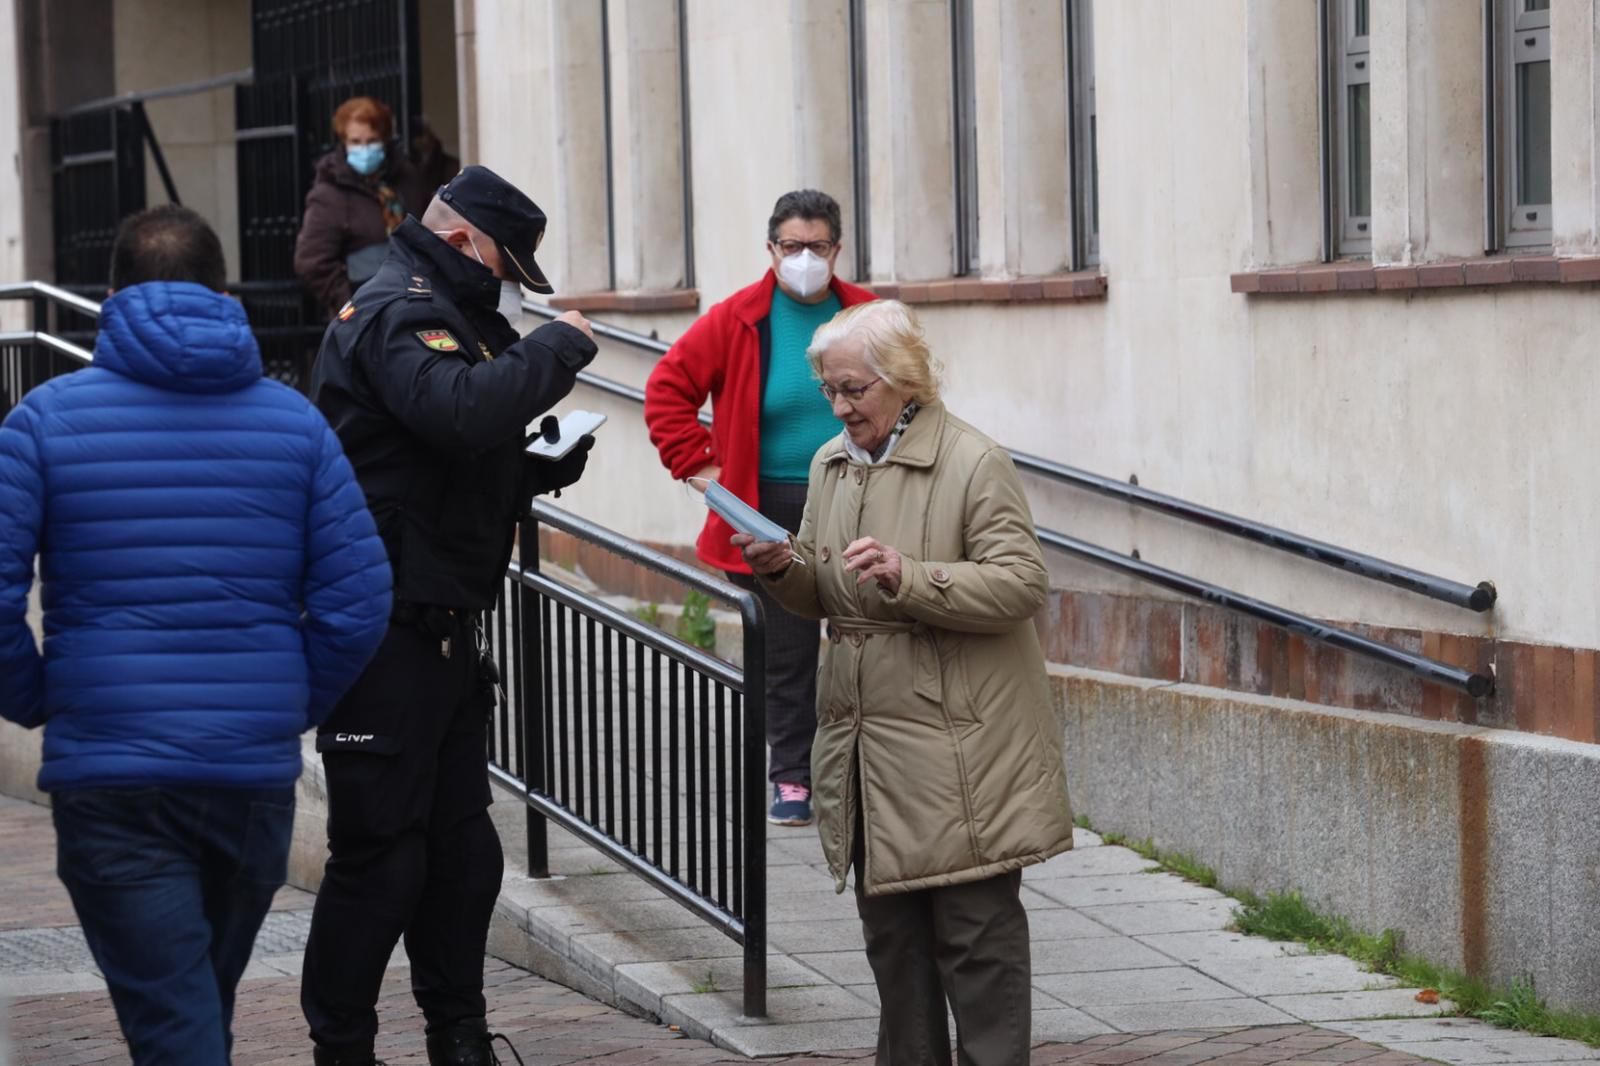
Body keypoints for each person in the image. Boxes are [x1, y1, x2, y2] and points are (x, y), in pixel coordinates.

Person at [0, 205, 393, 1064]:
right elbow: (358, 599)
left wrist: (35, 694)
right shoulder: (295, 426)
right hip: (246, 780)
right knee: (189, 1014)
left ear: (109, 299)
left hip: (110, 772)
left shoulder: (44, 420)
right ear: (225, 294)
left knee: (177, 1023)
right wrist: (286, 701)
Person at [303, 164, 599, 1066]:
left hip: (440, 629)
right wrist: (556, 348)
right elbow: (460, 412)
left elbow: (436, 458)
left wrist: (539, 467)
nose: (507, 289)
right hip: (383, 632)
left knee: (461, 857)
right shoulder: (400, 312)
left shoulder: (447, 317)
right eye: (505, 268)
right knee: (380, 860)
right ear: (465, 241)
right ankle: (343, 1049)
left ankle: (459, 1036)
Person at [736, 300, 1075, 1065]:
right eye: (829, 389)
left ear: (903, 381)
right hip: (868, 752)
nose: (839, 406)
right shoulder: (830, 463)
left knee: (977, 946)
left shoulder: (972, 461)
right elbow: (830, 590)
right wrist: (787, 572)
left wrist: (911, 577)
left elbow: (1022, 585)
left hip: (962, 758)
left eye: (853, 389)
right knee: (893, 951)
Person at [644, 189, 875, 827]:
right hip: (770, 507)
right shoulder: (737, 318)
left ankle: (866, 771)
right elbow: (666, 389)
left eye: (818, 246)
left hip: (857, 496)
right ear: (771, 250)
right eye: (792, 246)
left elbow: (912, 394)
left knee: (868, 637)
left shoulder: (866, 316)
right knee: (787, 652)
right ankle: (793, 779)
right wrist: (703, 471)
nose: (805, 258)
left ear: (838, 249)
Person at [294, 95, 431, 318]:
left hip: (418, 303)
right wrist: (351, 304)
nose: (364, 150)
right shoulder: (329, 195)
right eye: (356, 142)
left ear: (385, 140)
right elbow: (312, 262)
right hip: (366, 315)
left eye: (372, 141)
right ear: (344, 142)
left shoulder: (409, 181)